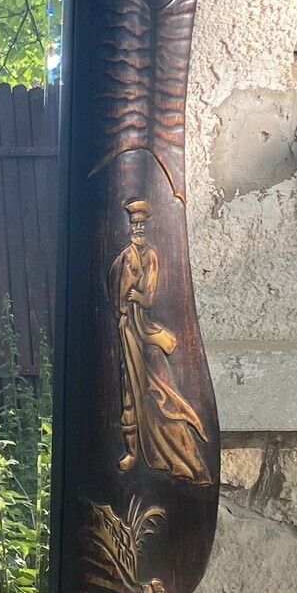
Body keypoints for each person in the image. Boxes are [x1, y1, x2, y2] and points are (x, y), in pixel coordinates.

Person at [109, 197, 209, 485]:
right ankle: (131, 450)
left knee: (152, 389)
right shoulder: (124, 256)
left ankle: (166, 448)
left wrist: (136, 297)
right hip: (126, 325)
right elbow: (113, 286)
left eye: (141, 224)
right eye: (133, 224)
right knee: (127, 388)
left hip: (142, 326)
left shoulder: (150, 256)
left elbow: (149, 296)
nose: (137, 228)